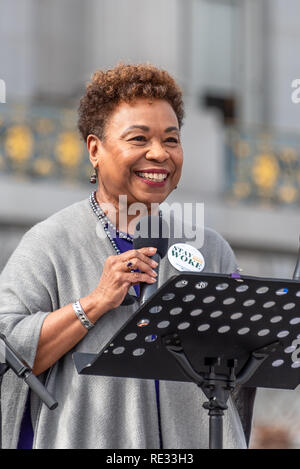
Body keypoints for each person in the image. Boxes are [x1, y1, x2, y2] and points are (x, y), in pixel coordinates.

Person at [0, 63, 255, 449]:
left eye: (171, 140)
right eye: (139, 139)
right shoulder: (50, 242)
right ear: (95, 149)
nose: (159, 154)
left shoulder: (209, 247)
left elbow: (241, 372)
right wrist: (95, 302)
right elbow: (9, 352)